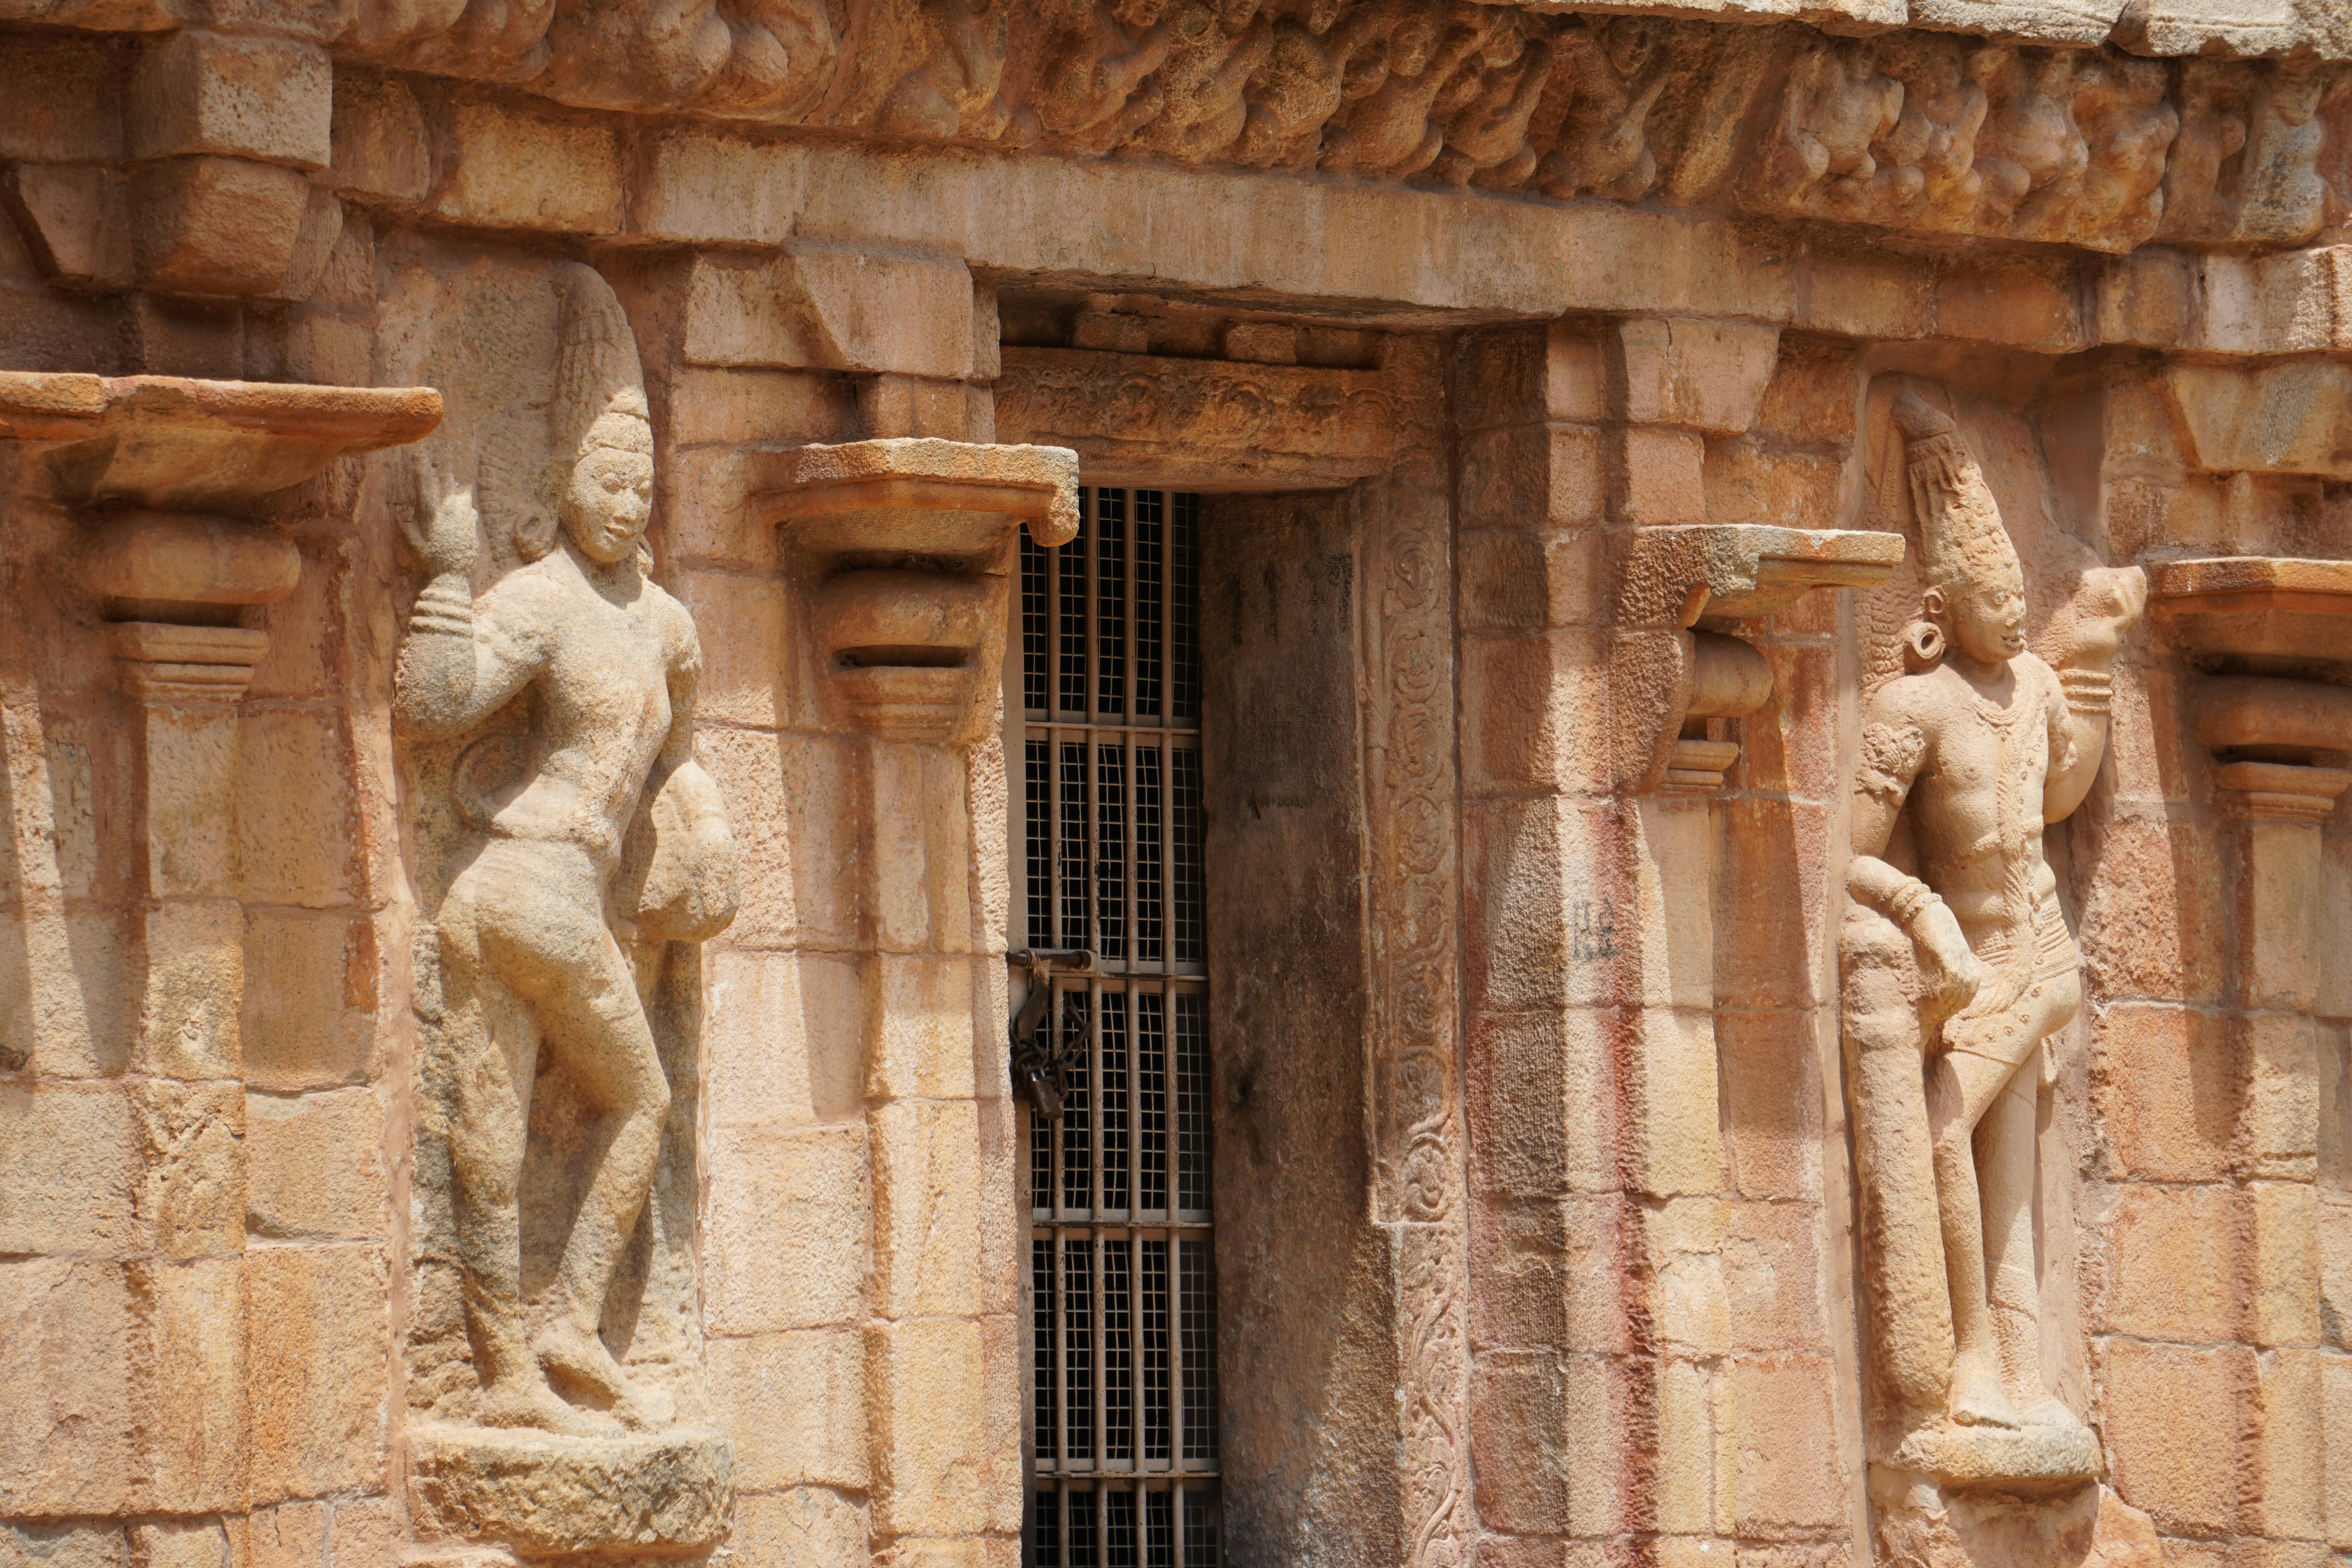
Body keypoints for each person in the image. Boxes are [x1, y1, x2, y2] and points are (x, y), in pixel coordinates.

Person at [396, 262, 733, 1435]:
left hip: (514, 903)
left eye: (643, 479)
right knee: (641, 1100)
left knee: (490, 1140)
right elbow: (437, 705)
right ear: (557, 482)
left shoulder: (670, 628)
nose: (628, 498)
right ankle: (569, 1322)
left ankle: (507, 1381)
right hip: (533, 893)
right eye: (604, 476)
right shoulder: (539, 597)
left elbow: (679, 758)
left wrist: (708, 830)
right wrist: (447, 570)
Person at [1845, 391, 2143, 1435]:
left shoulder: (2033, 687)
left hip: (2039, 963)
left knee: (1942, 1129)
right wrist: (1920, 909)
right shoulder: (1912, 709)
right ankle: (2015, 1373)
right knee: (1999, 1173)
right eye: (1991, 593)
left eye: (2018, 589)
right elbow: (1848, 857)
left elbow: (2061, 796)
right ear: (1940, 603)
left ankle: (1981, 1354)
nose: (2013, 610)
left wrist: (2093, 663)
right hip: (1971, 963)